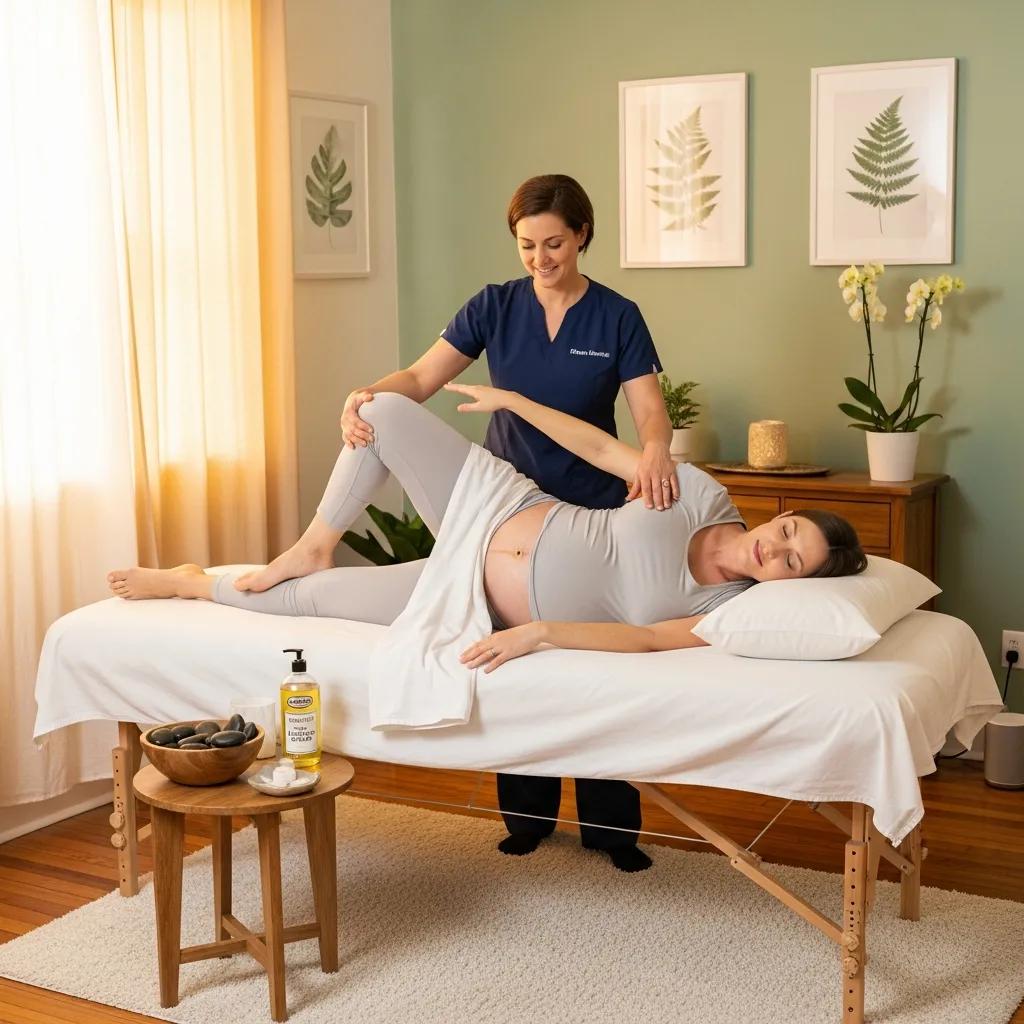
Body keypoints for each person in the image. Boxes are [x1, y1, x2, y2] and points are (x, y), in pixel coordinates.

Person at [108, 389, 868, 873]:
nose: (775, 550)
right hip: (497, 507)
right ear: (780, 514)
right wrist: (513, 401)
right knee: (382, 410)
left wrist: (539, 632)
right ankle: (313, 540)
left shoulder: (726, 611)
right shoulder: (696, 491)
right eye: (788, 532)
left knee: (303, 602)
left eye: (792, 562)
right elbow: (599, 449)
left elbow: (642, 642)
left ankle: (187, 581)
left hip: (473, 600)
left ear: (791, 583)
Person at [341, 173, 676, 870]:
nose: (540, 258)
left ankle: (611, 832)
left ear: (582, 235)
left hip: (588, 517)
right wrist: (366, 394)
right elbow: (421, 379)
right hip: (501, 510)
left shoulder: (617, 316)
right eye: (527, 245)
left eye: (554, 243)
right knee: (511, 662)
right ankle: (527, 819)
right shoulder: (494, 305)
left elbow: (649, 409)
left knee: (590, 673)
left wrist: (655, 451)